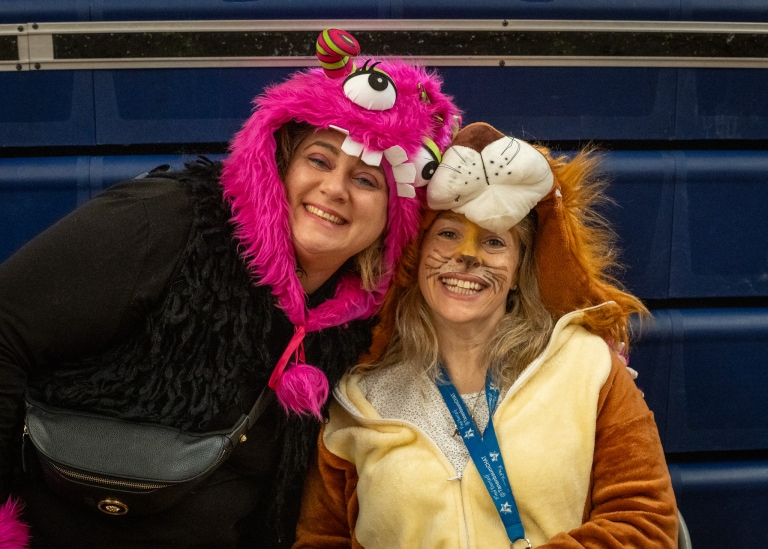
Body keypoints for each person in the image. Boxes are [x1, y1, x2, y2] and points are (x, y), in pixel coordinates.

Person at [0, 29, 460, 548]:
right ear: (281, 163)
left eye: (366, 180)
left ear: (393, 216)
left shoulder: (355, 320)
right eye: (319, 159)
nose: (334, 188)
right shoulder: (172, 221)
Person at [294, 122, 679, 548]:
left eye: (494, 242)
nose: (467, 256)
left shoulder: (589, 368)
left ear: (518, 271)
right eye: (447, 234)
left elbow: (645, 523)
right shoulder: (359, 398)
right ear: (416, 258)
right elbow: (320, 540)